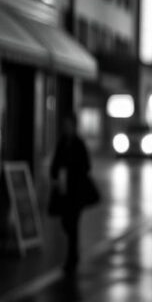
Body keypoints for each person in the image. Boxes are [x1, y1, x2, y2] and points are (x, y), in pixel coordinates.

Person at [50, 112, 92, 278]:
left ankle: (72, 258)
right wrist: (55, 175)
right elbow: (55, 163)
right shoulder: (62, 143)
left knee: (73, 224)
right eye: (64, 125)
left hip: (76, 192)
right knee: (66, 222)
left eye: (69, 125)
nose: (66, 128)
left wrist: (73, 172)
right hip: (63, 190)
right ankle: (72, 256)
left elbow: (86, 166)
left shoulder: (79, 144)